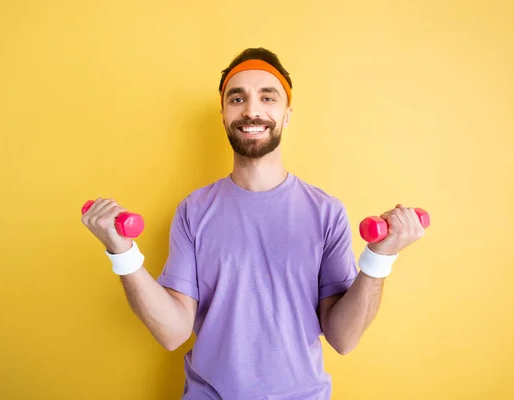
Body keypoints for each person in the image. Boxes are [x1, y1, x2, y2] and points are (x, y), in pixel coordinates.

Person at [81, 47, 426, 399]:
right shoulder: (193, 211)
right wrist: (122, 252)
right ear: (223, 115)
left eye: (267, 97)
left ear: (287, 114)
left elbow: (344, 338)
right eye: (237, 98)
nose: (252, 110)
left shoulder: (327, 212)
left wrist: (379, 259)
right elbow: (172, 332)